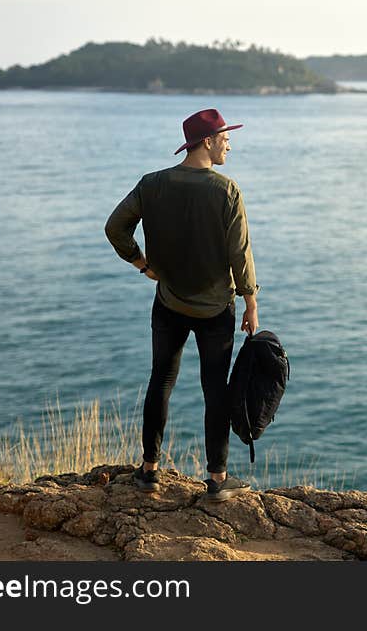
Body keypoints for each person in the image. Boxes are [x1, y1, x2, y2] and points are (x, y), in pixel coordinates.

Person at [104, 108, 260, 501]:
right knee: (215, 391)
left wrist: (141, 263)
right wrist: (251, 302)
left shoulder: (152, 184)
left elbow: (114, 227)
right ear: (207, 142)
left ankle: (149, 471)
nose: (229, 142)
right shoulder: (226, 190)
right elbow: (239, 252)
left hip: (169, 301)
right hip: (215, 310)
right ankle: (217, 479)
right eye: (225, 136)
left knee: (162, 382)